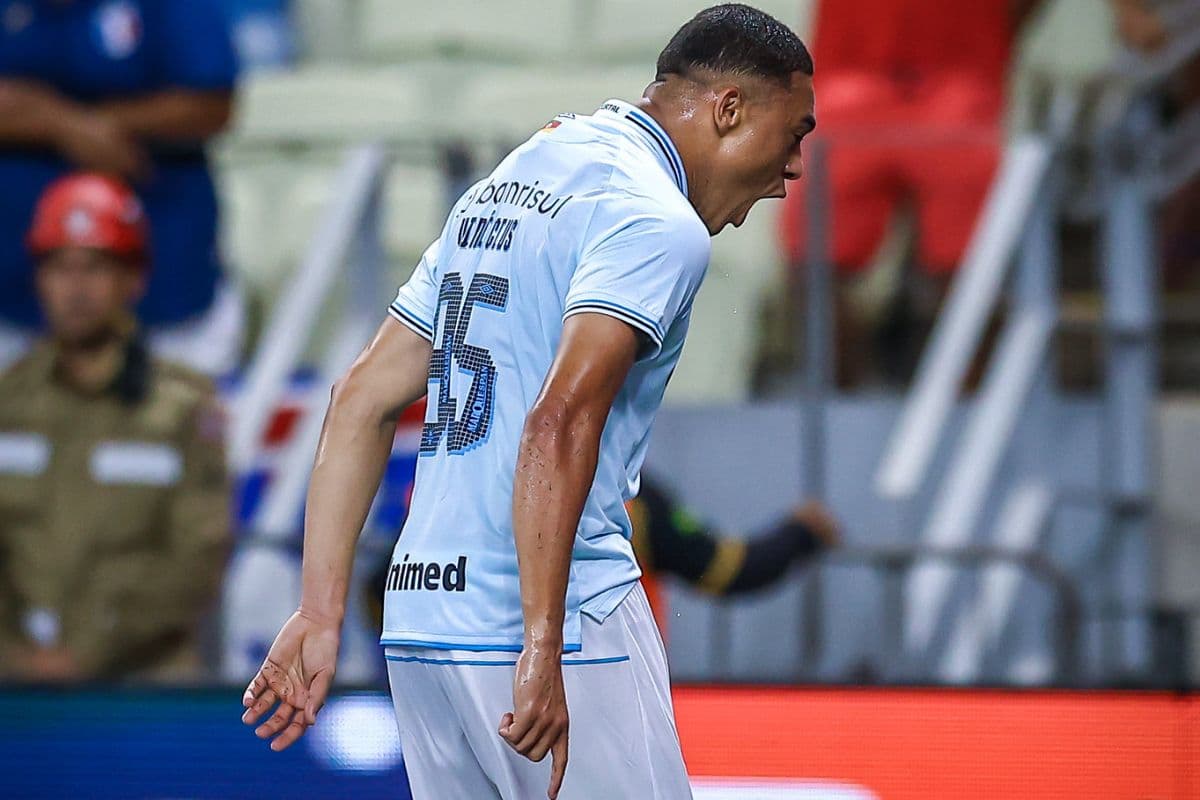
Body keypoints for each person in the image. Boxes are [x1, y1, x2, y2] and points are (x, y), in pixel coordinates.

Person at [241, 5, 815, 799]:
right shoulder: (658, 220)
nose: (793, 170)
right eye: (793, 136)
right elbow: (560, 421)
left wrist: (319, 609)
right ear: (728, 110)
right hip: (554, 622)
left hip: (420, 627)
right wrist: (541, 642)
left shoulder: (513, 179)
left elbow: (361, 395)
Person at [0, 173, 231, 683]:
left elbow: (195, 558)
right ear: (38, 278)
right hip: (14, 689)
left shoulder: (184, 411)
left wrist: (83, 656)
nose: (76, 287)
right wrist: (15, 659)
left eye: (96, 267)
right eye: (60, 266)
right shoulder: (6, 405)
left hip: (143, 684)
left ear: (134, 279)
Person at [0, 0, 241, 376]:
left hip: (164, 294)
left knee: (172, 420)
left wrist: (77, 124)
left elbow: (212, 100)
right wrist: (67, 127)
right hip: (14, 304)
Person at [631, 474, 839, 628]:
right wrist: (799, 533)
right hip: (630, 676)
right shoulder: (633, 499)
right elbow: (723, 568)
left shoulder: (632, 497)